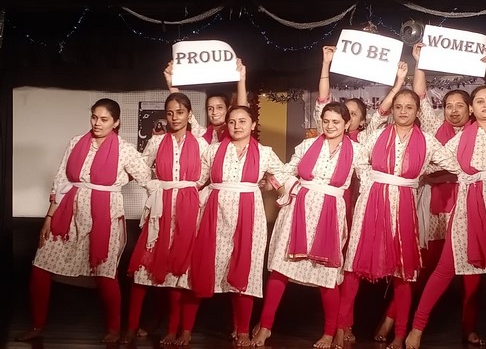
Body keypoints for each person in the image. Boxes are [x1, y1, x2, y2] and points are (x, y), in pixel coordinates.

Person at [374, 44, 486, 346]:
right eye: (449, 106)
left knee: (472, 275)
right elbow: (420, 96)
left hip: (471, 208)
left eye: (460, 105)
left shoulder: (480, 130)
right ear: (443, 109)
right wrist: (420, 62)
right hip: (436, 209)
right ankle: (393, 320)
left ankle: (468, 327)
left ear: (470, 109)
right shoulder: (435, 127)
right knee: (421, 268)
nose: (454, 110)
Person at [405, 85, 486, 349]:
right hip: (469, 210)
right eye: (480, 101)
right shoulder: (461, 138)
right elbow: (432, 162)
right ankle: (417, 329)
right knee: (444, 269)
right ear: (472, 108)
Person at [16, 98, 152, 344]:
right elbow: (61, 181)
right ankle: (37, 325)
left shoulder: (124, 149)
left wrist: (120, 181)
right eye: (94, 117)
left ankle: (113, 328)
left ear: (116, 122)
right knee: (41, 266)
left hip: (105, 218)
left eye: (104, 119)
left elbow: (146, 177)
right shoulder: (76, 142)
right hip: (70, 213)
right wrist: (49, 216)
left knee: (105, 273)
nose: (97, 123)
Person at [334, 88, 461, 349]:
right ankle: (341, 327)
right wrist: (370, 181)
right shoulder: (377, 135)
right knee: (353, 265)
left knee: (404, 271)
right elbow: (359, 159)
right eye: (399, 107)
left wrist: (423, 170)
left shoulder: (427, 141)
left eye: (409, 107)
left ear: (418, 111)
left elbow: (456, 164)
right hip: (371, 202)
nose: (403, 111)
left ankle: (401, 333)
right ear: (392, 110)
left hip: (403, 204)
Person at [251, 101, 367, 349]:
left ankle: (328, 332)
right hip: (298, 211)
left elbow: (368, 180)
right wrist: (272, 184)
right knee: (281, 269)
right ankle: (266, 327)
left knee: (327, 275)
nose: (330, 126)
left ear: (347, 124)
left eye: (336, 122)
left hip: (330, 214)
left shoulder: (357, 151)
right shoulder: (307, 145)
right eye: (326, 121)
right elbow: (286, 170)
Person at [315, 44, 409, 343]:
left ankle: (349, 325)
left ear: (359, 119)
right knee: (338, 272)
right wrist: (326, 64)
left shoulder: (366, 139)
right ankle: (340, 326)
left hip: (362, 210)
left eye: (354, 114)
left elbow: (384, 110)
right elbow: (323, 100)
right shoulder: (327, 139)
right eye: (345, 112)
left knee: (354, 270)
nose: (348, 116)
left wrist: (398, 83)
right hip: (333, 208)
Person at [186, 105, 286, 347]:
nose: (237, 126)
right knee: (204, 265)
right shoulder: (212, 150)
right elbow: (198, 180)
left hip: (250, 216)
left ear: (253, 125)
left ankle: (242, 330)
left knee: (246, 269)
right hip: (216, 214)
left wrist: (275, 189)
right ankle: (186, 329)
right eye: (232, 122)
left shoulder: (264, 153)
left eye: (242, 121)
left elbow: (282, 176)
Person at [123, 92, 209, 345]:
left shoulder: (201, 144)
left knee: (179, 271)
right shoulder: (157, 141)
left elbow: (207, 173)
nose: (175, 118)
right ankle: (131, 326)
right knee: (142, 270)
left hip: (188, 208)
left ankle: (174, 330)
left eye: (180, 112)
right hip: (160, 208)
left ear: (189, 114)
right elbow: (141, 166)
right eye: (170, 113)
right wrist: (153, 186)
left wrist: (190, 191)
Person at [164, 57, 248, 144]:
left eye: (219, 107)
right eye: (210, 108)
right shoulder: (202, 134)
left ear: (228, 109)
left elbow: (242, 111)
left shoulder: (235, 131)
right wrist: (170, 82)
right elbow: (182, 105)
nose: (214, 112)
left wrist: (241, 79)